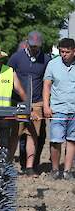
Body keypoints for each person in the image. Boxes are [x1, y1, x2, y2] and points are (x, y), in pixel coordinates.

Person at [8, 31, 51, 177]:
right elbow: (9, 77)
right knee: (15, 135)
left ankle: (29, 167)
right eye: (32, 46)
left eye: (37, 46)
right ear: (27, 43)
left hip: (37, 103)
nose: (34, 48)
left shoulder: (46, 59)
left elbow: (48, 81)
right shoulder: (16, 57)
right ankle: (8, 165)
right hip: (18, 102)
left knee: (33, 135)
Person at [43, 38, 75, 180]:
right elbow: (47, 86)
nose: (63, 54)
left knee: (72, 140)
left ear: (74, 51)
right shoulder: (52, 64)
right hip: (57, 109)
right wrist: (46, 105)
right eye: (61, 51)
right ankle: (55, 170)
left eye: (67, 52)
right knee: (56, 141)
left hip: (73, 109)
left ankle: (67, 171)